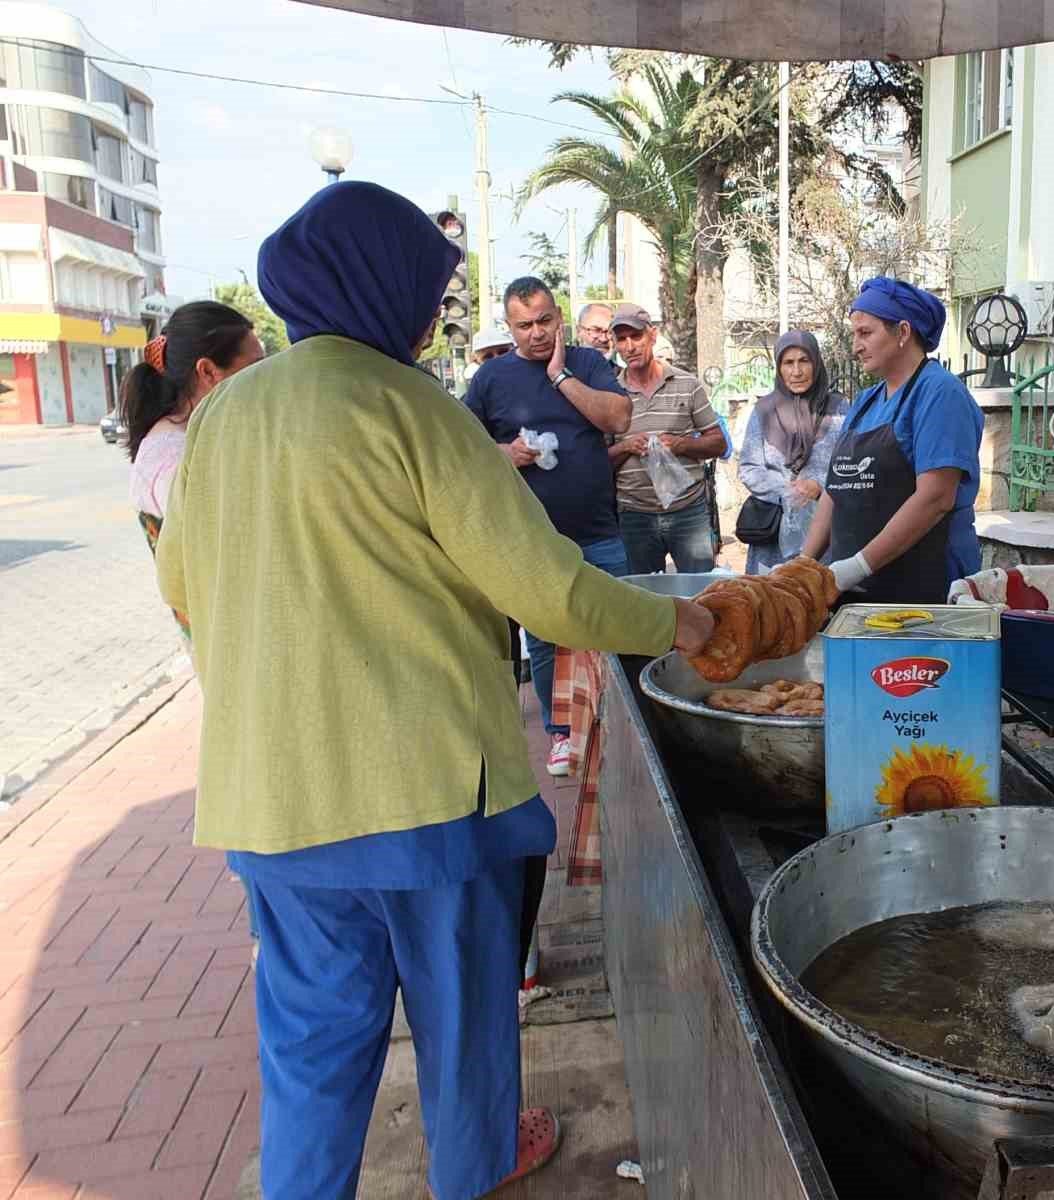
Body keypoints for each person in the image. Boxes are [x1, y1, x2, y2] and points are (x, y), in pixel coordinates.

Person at [156, 180, 713, 1200]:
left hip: (272, 805)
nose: (433, 316)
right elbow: (548, 593)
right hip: (424, 799)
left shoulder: (226, 416)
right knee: (462, 1038)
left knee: (312, 1058)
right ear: (378, 286)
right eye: (428, 292)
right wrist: (679, 620)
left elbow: (184, 590)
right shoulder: (411, 407)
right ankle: (473, 1173)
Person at [464, 277, 632, 778]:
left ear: (559, 317)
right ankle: (561, 733)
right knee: (542, 639)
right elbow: (464, 448)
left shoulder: (587, 363)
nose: (536, 334)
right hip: (530, 538)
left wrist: (561, 378)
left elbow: (619, 417)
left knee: (615, 625)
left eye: (545, 321)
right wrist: (506, 453)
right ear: (509, 327)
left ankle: (618, 726)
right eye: (524, 325)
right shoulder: (492, 379)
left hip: (598, 530)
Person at [800, 277, 983, 603]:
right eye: (855, 334)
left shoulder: (940, 394)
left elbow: (936, 497)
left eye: (866, 333)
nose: (855, 346)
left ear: (902, 332)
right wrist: (803, 565)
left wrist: (856, 567)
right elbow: (835, 491)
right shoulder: (866, 402)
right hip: (858, 587)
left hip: (922, 587)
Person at [123, 301, 264, 643]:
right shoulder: (173, 457)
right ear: (207, 372)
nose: (265, 380)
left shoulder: (193, 437)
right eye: (256, 368)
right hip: (228, 640)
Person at [607, 302, 726, 574]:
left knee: (702, 595)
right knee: (642, 599)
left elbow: (719, 443)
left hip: (688, 511)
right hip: (634, 515)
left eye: (635, 336)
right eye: (621, 339)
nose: (629, 346)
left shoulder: (687, 385)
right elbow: (599, 460)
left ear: (652, 335)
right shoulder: (610, 393)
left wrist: (681, 444)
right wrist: (626, 446)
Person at [739, 330, 849, 574]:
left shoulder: (839, 408)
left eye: (804, 361)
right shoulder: (764, 410)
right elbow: (748, 467)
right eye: (788, 363)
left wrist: (819, 486)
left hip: (824, 532)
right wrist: (787, 491)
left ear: (816, 363)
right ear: (779, 368)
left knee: (819, 599)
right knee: (770, 602)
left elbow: (849, 464)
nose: (796, 371)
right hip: (774, 533)